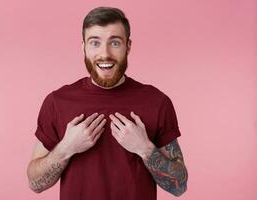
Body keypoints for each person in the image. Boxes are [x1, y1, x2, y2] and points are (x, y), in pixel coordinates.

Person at [26, 6, 188, 200]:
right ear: (83, 47)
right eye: (95, 43)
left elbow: (179, 186)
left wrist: (144, 148)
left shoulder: (157, 102)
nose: (105, 53)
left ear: (128, 46)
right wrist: (66, 148)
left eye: (115, 42)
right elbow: (35, 183)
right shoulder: (57, 102)